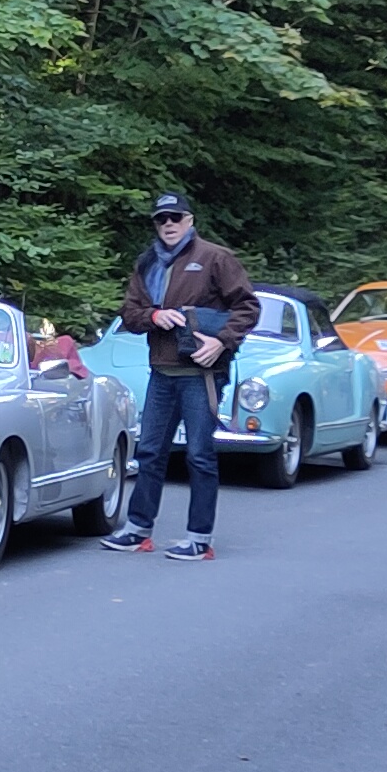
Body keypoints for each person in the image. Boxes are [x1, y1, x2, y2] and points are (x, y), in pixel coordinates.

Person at [100, 192, 259, 561]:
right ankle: (138, 530)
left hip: (201, 374)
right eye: (161, 219)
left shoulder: (215, 257)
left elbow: (248, 306)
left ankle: (200, 539)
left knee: (200, 455)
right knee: (149, 452)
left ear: (189, 220)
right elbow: (129, 313)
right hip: (162, 371)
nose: (168, 224)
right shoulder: (147, 263)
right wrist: (154, 316)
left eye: (175, 217)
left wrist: (222, 341)